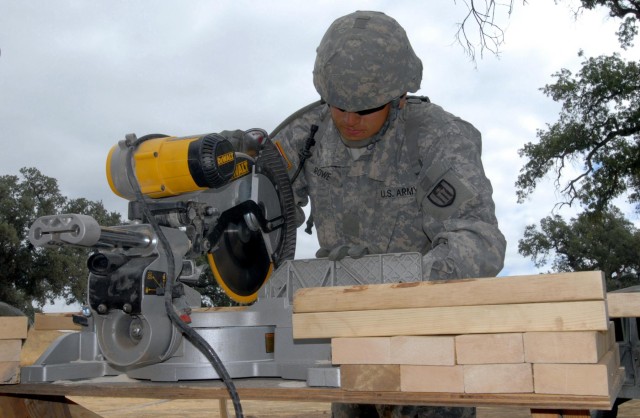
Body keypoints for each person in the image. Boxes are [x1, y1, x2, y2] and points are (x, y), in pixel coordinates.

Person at [270, 10, 506, 418]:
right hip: (348, 350)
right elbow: (259, 205)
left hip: (428, 348)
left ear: (398, 97)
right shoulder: (308, 133)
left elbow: (480, 240)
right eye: (338, 106)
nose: (348, 120)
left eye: (364, 109)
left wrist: (402, 281)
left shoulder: (434, 137)